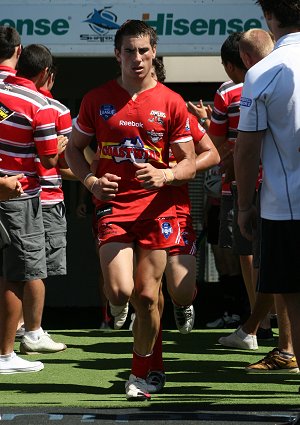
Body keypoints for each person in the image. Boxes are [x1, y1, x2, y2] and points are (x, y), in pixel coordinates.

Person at [66, 20, 196, 400]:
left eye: (143, 50)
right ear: (116, 54)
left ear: (154, 52)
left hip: (157, 209)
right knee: (121, 292)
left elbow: (190, 161)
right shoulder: (96, 98)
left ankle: (142, 373)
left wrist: (166, 173)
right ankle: (120, 313)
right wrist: (91, 183)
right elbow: (72, 149)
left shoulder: (171, 101)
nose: (136, 58)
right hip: (114, 208)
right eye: (128, 51)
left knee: (147, 295)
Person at [234, 0, 300, 382]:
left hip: (287, 209)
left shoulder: (262, 71)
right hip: (284, 206)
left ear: (270, 19)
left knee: (294, 299)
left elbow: (246, 147)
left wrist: (244, 206)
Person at [0, 42, 62, 374]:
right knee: (17, 274)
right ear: (44, 74)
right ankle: (7, 353)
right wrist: (62, 146)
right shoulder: (42, 105)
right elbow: (50, 159)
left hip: (8, 193)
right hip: (19, 198)